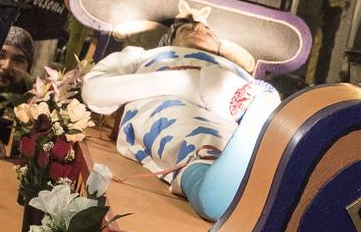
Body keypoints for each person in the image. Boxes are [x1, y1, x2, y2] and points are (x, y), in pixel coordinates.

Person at [80, 14, 277, 221]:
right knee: (187, 130)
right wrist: (188, 81)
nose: (200, 27)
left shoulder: (237, 72)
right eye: (188, 27)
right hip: (164, 102)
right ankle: (209, 190)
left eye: (208, 31)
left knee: (239, 139)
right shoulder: (143, 56)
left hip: (228, 114)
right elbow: (93, 89)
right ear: (169, 39)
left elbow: (240, 99)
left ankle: (254, 182)